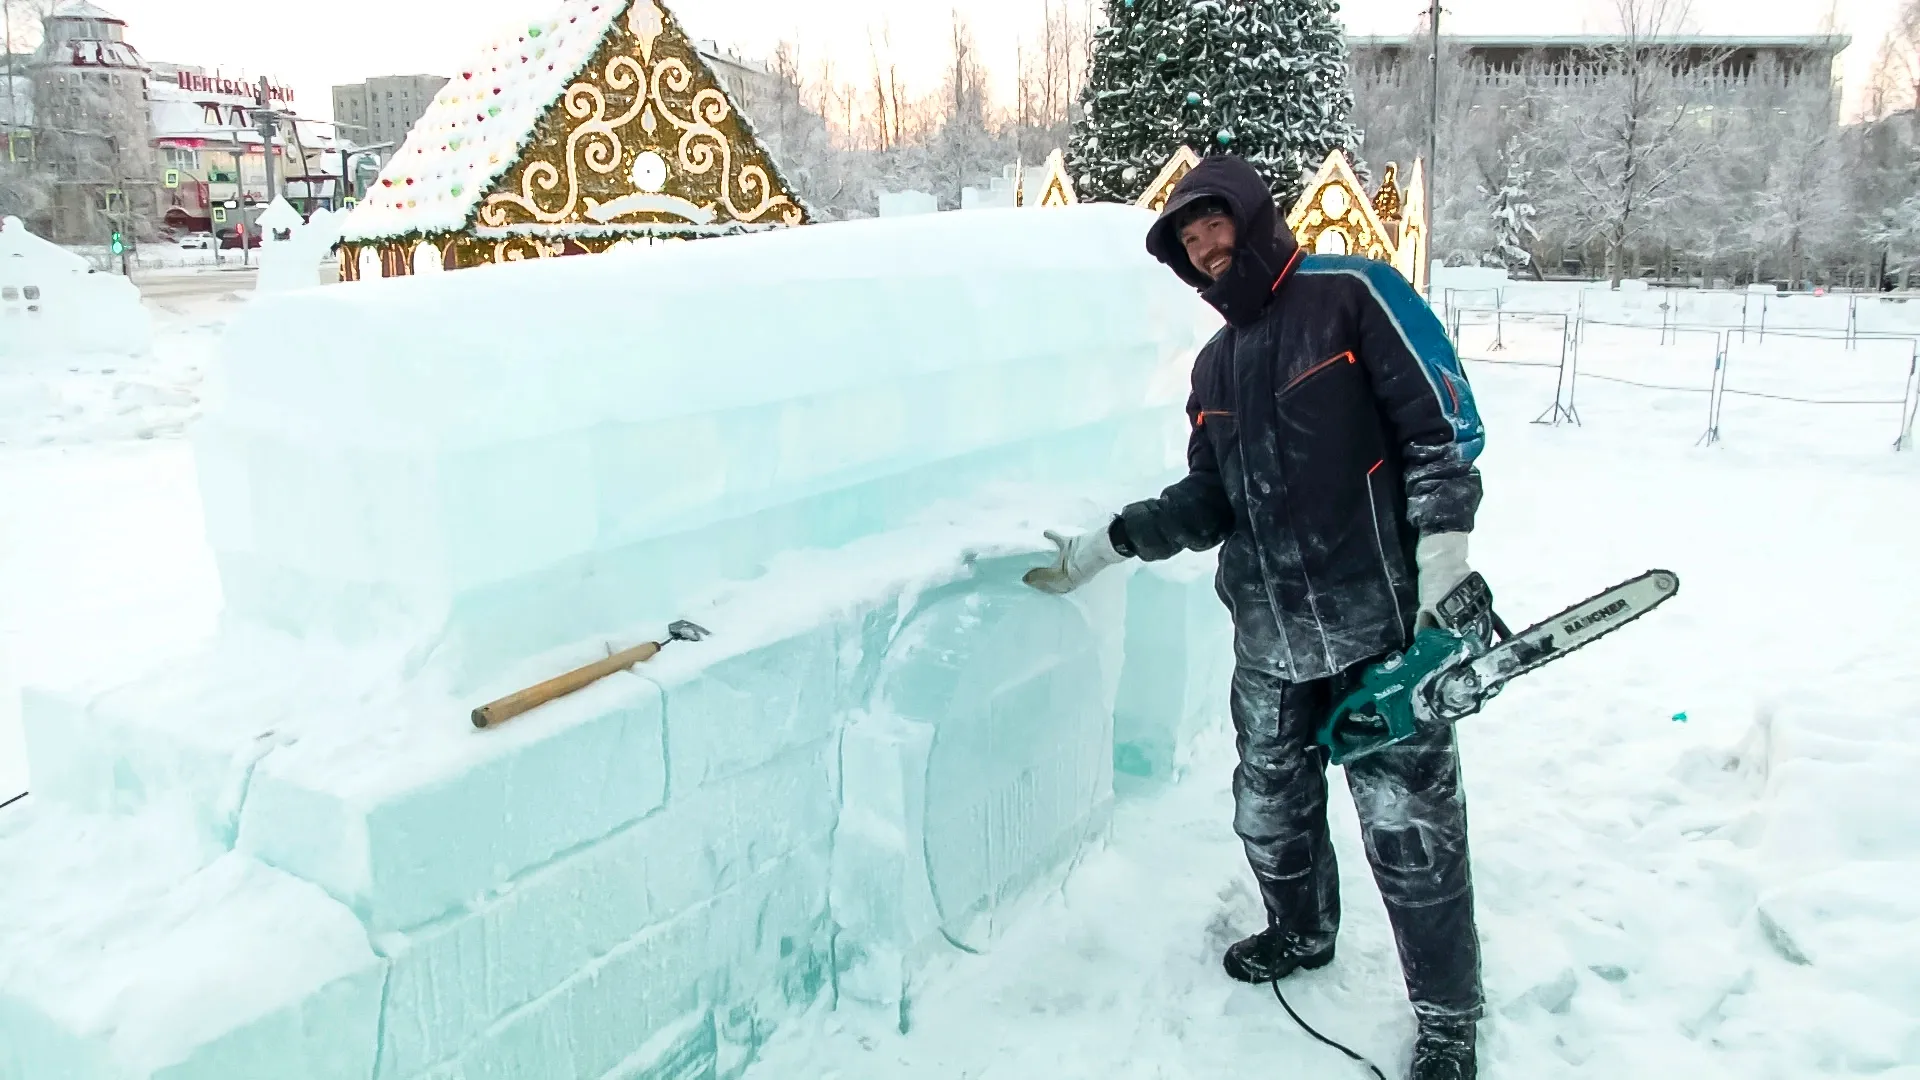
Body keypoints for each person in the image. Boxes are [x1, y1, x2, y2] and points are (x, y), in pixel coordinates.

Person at [1023, 155, 1486, 1080]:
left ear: (1252, 217)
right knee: (1269, 812)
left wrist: (1443, 564)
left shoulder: (1353, 293)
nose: (1204, 250)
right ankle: (1303, 929)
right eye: (1188, 245)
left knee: (1408, 827)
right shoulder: (1214, 364)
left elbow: (1440, 427)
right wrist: (1109, 543)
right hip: (1269, 636)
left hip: (1378, 622)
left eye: (1212, 229)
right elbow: (1210, 498)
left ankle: (1447, 1017)